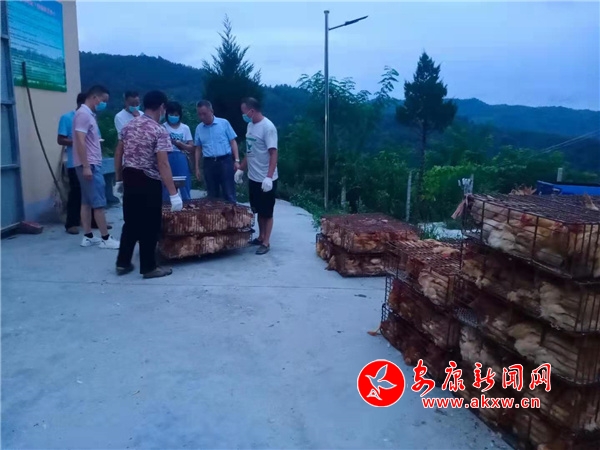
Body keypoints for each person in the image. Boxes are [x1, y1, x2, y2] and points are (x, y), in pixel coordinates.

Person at [114, 90, 183, 279]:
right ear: (162, 107)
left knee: (131, 222)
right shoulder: (159, 130)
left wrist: (118, 179)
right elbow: (163, 163)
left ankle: (122, 262)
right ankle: (149, 267)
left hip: (129, 176)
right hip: (148, 180)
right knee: (150, 225)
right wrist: (173, 194)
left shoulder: (129, 126)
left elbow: (118, 153)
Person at [72, 85, 120, 249]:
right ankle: (106, 238)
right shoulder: (83, 115)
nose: (104, 104)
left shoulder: (86, 114)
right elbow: (80, 140)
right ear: (95, 97)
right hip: (90, 164)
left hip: (88, 163)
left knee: (86, 201)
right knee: (99, 203)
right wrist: (86, 166)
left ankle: (88, 236)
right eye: (103, 100)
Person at [58, 93, 111, 234]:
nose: (100, 104)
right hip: (77, 162)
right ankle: (72, 223)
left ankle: (93, 224)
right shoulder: (68, 117)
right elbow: (61, 139)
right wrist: (77, 142)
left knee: (90, 196)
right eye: (100, 101)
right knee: (76, 193)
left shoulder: (91, 117)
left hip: (91, 161)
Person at [235, 97, 278, 255]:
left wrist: (269, 177)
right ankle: (260, 237)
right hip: (253, 177)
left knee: (267, 212)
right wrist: (241, 169)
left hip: (266, 178)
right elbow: (250, 150)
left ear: (252, 111)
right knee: (258, 209)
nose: (243, 115)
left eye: (244, 112)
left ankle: (266, 242)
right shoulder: (250, 125)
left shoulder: (268, 128)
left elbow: (273, 153)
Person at [194, 100, 240, 203]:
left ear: (211, 111)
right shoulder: (199, 128)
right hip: (209, 162)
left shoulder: (223, 123)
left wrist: (237, 160)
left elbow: (233, 141)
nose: (202, 117)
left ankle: (232, 212)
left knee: (229, 192)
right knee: (212, 194)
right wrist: (196, 167)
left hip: (225, 160)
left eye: (204, 114)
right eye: (199, 114)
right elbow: (198, 148)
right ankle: (215, 213)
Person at [162, 101, 194, 202]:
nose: (174, 117)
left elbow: (191, 147)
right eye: (171, 114)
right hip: (167, 157)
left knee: (184, 184)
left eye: (176, 115)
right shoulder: (163, 127)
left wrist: (180, 144)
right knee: (166, 185)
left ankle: (186, 205)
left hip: (181, 157)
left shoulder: (185, 128)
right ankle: (166, 206)